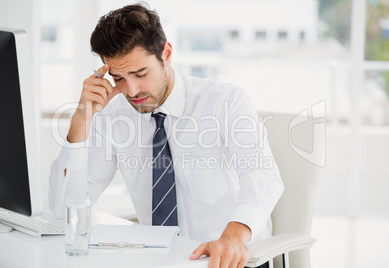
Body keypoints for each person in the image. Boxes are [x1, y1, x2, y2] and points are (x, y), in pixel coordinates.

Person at [49, 3, 283, 268]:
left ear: (166, 53)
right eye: (119, 78)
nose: (132, 91)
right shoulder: (113, 117)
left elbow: (262, 175)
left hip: (228, 259)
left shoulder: (225, 101)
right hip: (160, 261)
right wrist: (81, 121)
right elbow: (64, 210)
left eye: (140, 74)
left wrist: (233, 236)